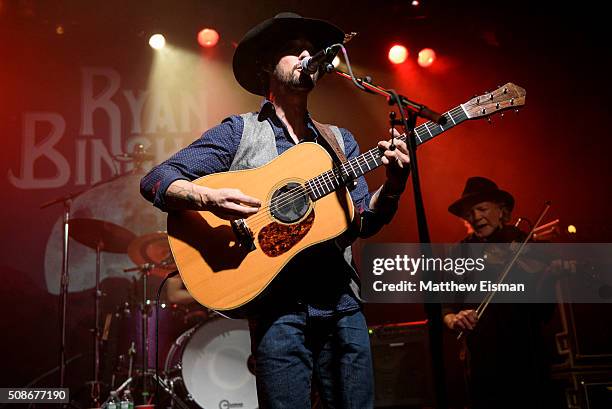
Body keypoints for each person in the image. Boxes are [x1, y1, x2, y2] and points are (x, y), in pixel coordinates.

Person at [140, 13, 411, 408]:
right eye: (292, 49)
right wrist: (206, 197)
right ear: (268, 64)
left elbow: (362, 221)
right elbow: (157, 179)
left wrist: (394, 186)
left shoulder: (340, 141)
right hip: (276, 310)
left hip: (341, 306)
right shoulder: (238, 132)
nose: (306, 55)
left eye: (310, 50)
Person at [443, 176, 554, 409]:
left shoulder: (521, 243)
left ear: (501, 211)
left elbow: (544, 310)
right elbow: (446, 306)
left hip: (528, 353)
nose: (476, 217)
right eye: (469, 213)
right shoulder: (460, 252)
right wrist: (454, 319)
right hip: (483, 356)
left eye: (482, 209)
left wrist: (549, 276)